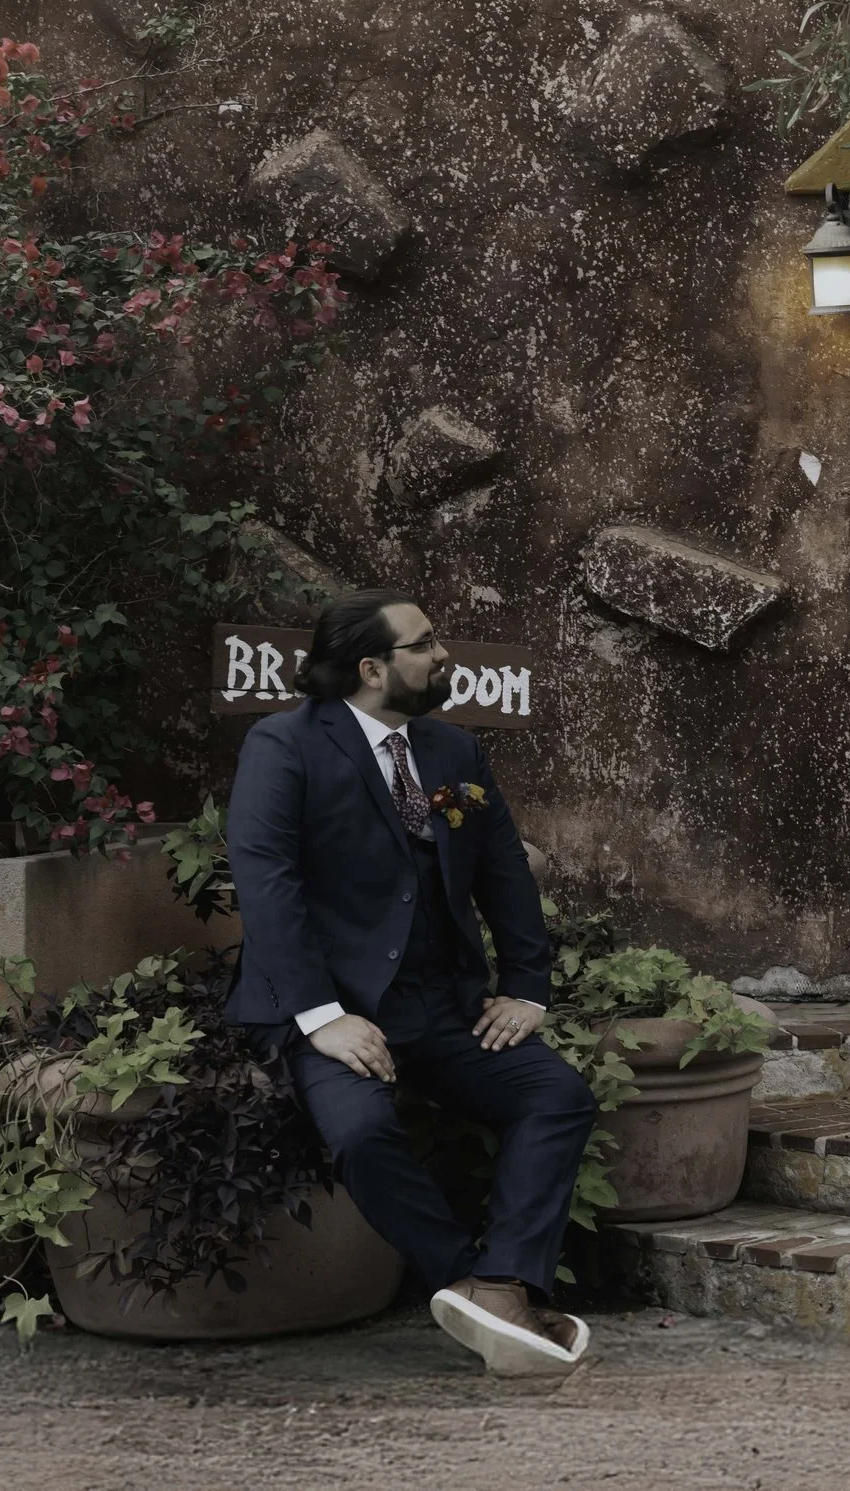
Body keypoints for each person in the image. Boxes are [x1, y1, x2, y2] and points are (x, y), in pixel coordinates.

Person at [225, 588, 597, 1375]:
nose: (444, 655)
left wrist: (527, 986)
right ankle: (467, 1277)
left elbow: (502, 869)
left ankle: (499, 1284)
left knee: (556, 1095)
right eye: (424, 644)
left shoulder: (453, 752)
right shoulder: (283, 745)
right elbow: (268, 884)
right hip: (336, 1008)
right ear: (371, 667)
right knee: (361, 1132)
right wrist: (322, 1016)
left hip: (445, 1003)